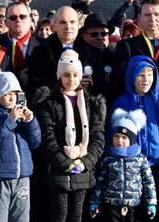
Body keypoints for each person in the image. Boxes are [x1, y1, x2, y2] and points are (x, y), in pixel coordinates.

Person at [110, 55, 159, 221]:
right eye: (141, 75)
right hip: (135, 166)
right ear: (131, 76)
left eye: (150, 74)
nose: (146, 79)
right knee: (139, 213)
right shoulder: (121, 102)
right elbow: (114, 136)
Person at [35, 50, 105, 222]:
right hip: (57, 170)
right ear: (60, 76)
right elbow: (47, 139)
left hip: (82, 169)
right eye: (66, 75)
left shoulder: (90, 103)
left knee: (76, 215)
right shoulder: (48, 104)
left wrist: (85, 162)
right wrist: (65, 164)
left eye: (75, 75)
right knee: (59, 215)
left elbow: (97, 137)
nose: (71, 80)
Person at [0, 72, 41, 222]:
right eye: (7, 94)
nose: (12, 98)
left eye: (16, 93)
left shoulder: (22, 115)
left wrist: (29, 121)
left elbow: (35, 142)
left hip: (22, 177)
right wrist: (10, 118)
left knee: (21, 218)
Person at [89, 109, 157, 222]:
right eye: (117, 136)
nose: (120, 140)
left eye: (124, 137)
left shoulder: (140, 158)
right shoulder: (107, 158)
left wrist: (151, 202)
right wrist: (94, 201)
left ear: (132, 139)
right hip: (111, 206)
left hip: (134, 206)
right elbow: (99, 181)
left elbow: (148, 182)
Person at [114, 0, 159, 95]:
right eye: (147, 15)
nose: (152, 19)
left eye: (157, 14)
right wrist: (157, 74)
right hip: (139, 106)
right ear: (140, 18)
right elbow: (118, 78)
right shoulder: (126, 46)